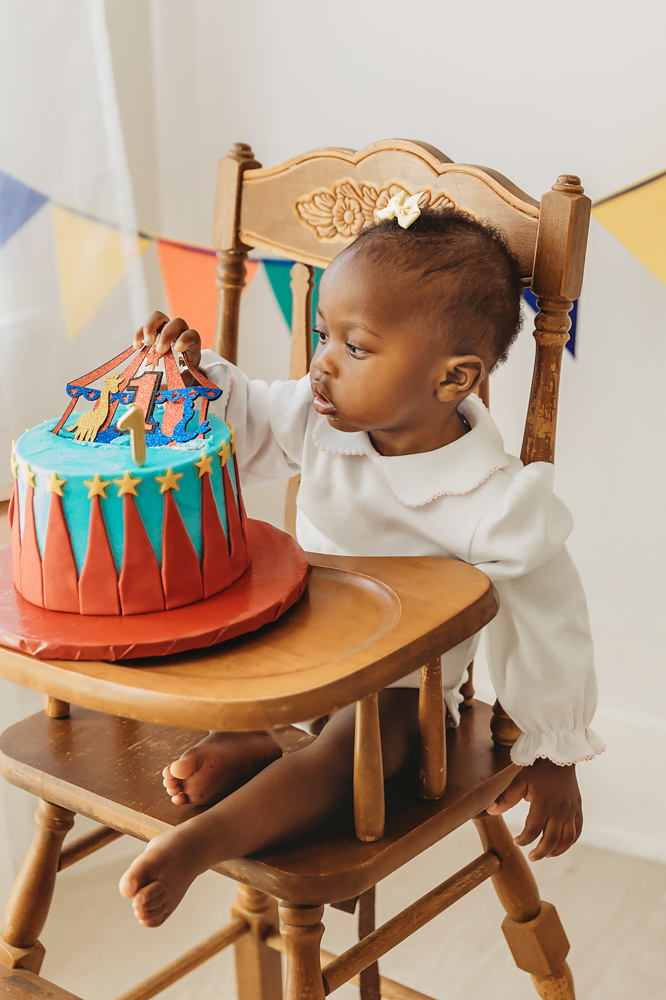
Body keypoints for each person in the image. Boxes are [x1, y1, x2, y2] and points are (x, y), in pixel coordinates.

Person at [119, 204, 603, 928]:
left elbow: (549, 624)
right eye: (321, 334)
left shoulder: (495, 501)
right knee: (231, 621)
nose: (321, 361)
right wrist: (191, 374)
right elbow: (242, 420)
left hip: (399, 689)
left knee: (366, 739)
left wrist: (554, 751)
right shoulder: (319, 422)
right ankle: (253, 732)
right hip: (294, 648)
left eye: (356, 346)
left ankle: (206, 839)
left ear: (452, 379)